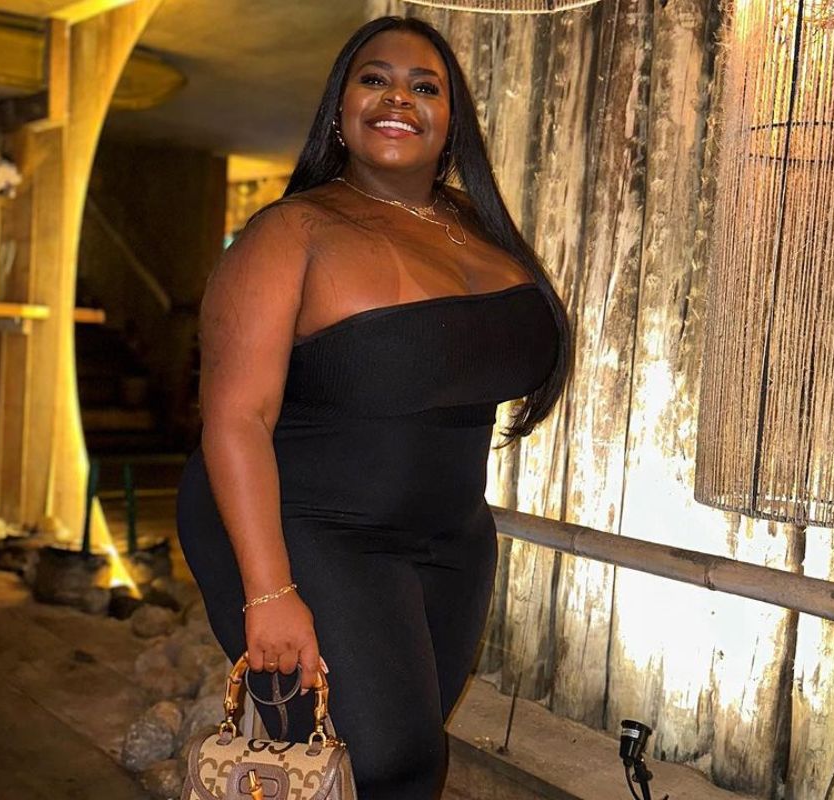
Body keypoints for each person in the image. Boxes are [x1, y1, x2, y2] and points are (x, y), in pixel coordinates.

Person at [176, 15, 571, 799]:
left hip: (451, 536)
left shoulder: (476, 227)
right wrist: (269, 591)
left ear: (452, 120)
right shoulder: (292, 231)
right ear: (339, 110)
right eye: (374, 79)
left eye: (425, 86)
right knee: (385, 759)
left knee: (402, 762)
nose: (398, 97)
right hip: (308, 527)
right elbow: (234, 419)